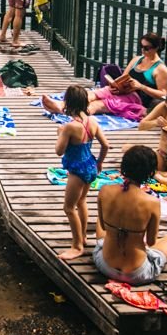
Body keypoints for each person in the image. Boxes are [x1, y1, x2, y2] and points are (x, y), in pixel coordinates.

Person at [93, 146, 167, 285]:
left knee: (103, 223)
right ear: (150, 172)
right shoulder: (152, 202)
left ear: (124, 166)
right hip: (137, 273)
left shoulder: (105, 191)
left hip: (105, 265)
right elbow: (151, 242)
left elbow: (103, 226)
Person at [55, 86, 110, 261]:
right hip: (90, 165)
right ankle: (83, 236)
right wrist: (100, 162)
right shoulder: (92, 122)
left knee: (69, 207)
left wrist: (60, 134)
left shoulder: (70, 127)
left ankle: (77, 246)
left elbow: (59, 151)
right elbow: (105, 145)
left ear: (68, 103)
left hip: (77, 170)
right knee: (81, 201)